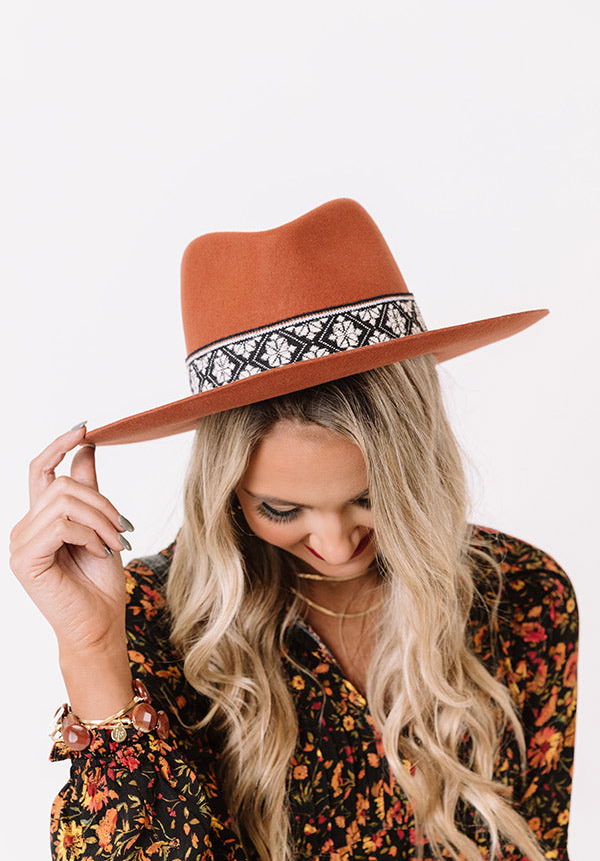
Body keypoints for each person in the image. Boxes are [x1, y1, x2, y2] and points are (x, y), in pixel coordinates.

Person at [9, 198, 577, 861]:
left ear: (422, 464)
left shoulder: (522, 595)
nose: (335, 545)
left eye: (373, 498)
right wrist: (91, 652)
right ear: (227, 490)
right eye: (282, 510)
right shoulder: (155, 622)